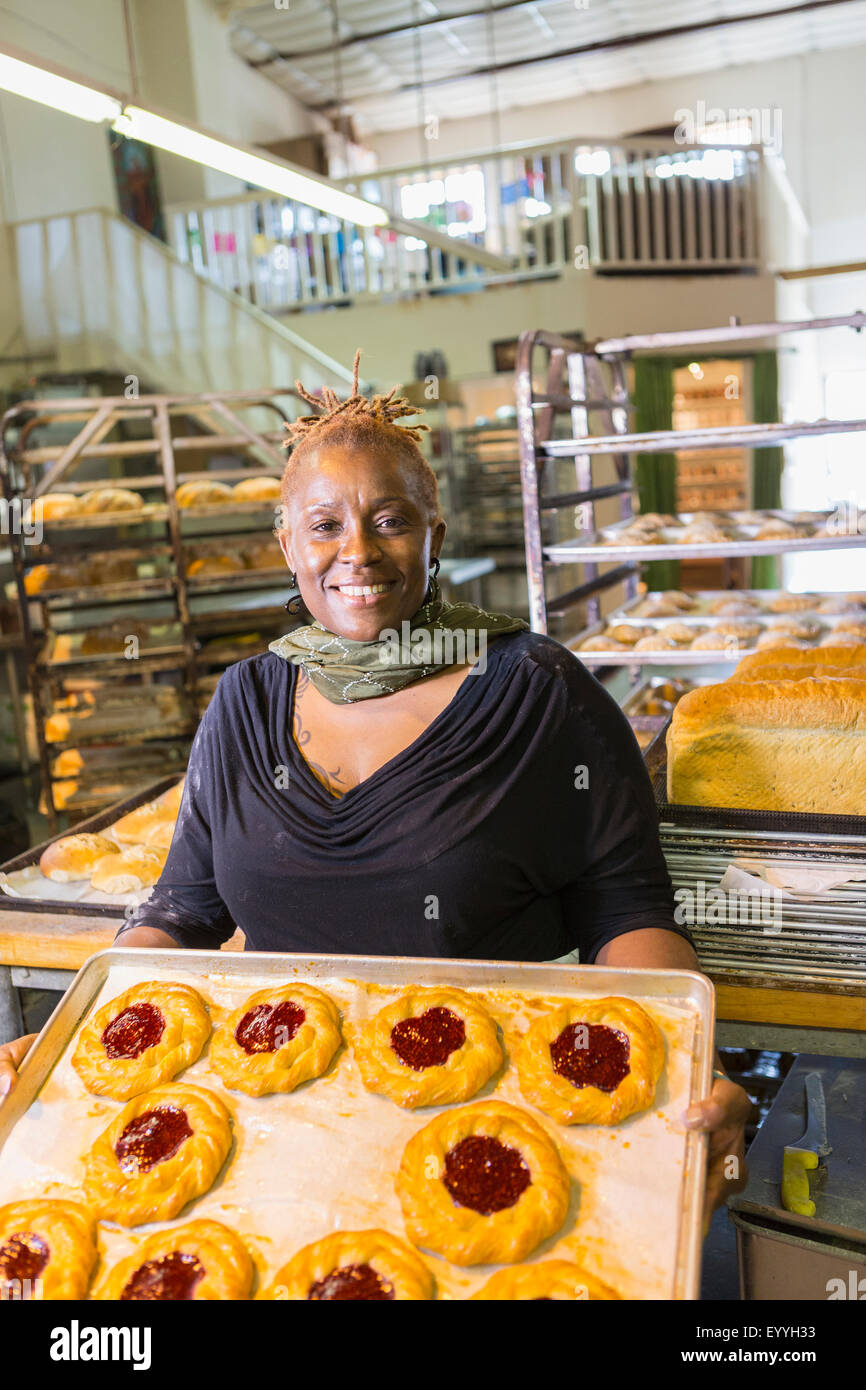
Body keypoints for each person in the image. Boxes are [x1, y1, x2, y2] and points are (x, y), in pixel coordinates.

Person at [0, 351, 750, 1226]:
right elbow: (183, 909)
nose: (356, 551)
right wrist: (73, 1040)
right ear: (286, 544)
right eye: (323, 526)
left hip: (501, 1139)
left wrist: (696, 1073)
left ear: (436, 532)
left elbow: (627, 914)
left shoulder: (537, 692)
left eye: (389, 520)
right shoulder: (246, 700)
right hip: (280, 1145)